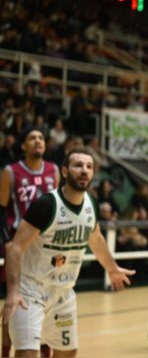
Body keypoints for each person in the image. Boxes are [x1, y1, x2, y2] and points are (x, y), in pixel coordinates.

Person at [2, 147, 135, 357]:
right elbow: (15, 249)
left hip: (63, 293)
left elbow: (96, 239)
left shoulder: (90, 203)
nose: (84, 170)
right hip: (31, 291)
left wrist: (112, 268)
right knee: (27, 354)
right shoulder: (46, 205)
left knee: (68, 352)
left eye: (89, 167)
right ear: (64, 171)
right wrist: (13, 291)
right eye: (78, 165)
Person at [0, 128, 59, 358]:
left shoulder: (54, 170)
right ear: (23, 145)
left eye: (41, 138)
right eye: (32, 138)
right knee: (14, 300)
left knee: (47, 299)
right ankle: (6, 350)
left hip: (46, 247)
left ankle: (43, 345)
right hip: (20, 245)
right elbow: (1, 210)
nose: (38, 141)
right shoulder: (11, 172)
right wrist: (7, 241)